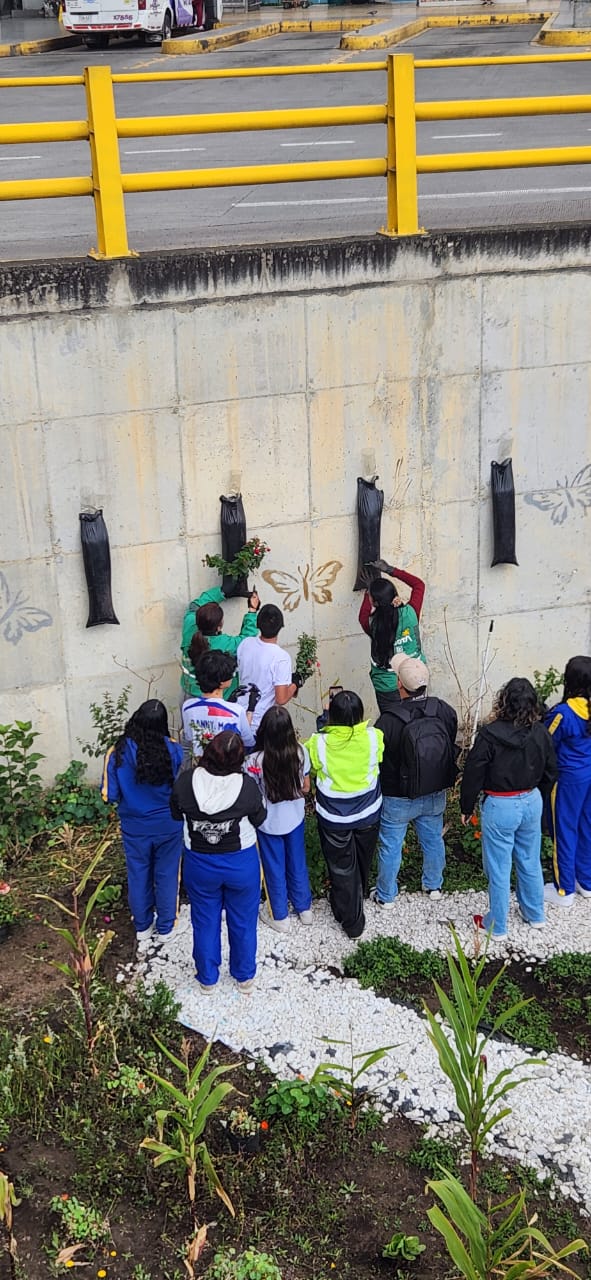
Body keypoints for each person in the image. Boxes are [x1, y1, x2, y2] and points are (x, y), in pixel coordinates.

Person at [460, 677, 557, 941]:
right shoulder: (540, 732)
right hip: (531, 800)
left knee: (499, 867)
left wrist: (466, 806)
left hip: (500, 803)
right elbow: (551, 770)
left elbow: (474, 772)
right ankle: (535, 914)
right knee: (529, 859)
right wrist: (539, 794)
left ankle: (497, 925)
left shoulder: (490, 734)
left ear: (503, 701)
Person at [171, 731, 266, 993]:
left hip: (199, 863)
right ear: (239, 759)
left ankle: (207, 979)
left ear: (209, 752)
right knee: (244, 921)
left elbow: (175, 813)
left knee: (204, 920)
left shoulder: (186, 781)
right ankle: (244, 976)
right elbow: (260, 819)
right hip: (240, 863)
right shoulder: (246, 786)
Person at [372, 657, 458, 907]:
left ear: (400, 684)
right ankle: (433, 885)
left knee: (391, 846)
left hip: (398, 796)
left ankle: (386, 895)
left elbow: (378, 756)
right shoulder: (442, 709)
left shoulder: (388, 720)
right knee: (433, 840)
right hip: (434, 790)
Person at [101, 700, 184, 946]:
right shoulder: (174, 750)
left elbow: (109, 795)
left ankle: (142, 927)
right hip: (169, 825)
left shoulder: (117, 752)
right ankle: (166, 927)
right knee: (168, 874)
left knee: (138, 874)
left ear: (136, 718)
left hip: (134, 827)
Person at [306, 691, 383, 939]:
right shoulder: (374, 737)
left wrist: (324, 725)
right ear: (360, 714)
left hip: (334, 817)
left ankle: (352, 922)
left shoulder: (317, 742)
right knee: (362, 858)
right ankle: (356, 896)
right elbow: (378, 758)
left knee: (341, 867)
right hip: (368, 813)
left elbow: (314, 766)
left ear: (332, 715)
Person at [245, 706, 313, 933]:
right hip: (294, 817)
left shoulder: (254, 761)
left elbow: (252, 793)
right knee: (297, 862)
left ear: (264, 731)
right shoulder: (301, 752)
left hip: (268, 822)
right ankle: (305, 909)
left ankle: (280, 916)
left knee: (273, 867)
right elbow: (305, 788)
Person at [544, 654, 591, 906]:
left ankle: (564, 889)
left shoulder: (563, 713)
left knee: (564, 829)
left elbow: (545, 743)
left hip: (568, 780)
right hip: (590, 774)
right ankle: (586, 882)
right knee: (587, 826)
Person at [358, 559, 426, 713]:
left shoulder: (372, 624)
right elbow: (418, 585)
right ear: (395, 595)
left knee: (392, 726)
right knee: (417, 722)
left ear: (374, 603)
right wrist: (390, 570)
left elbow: (363, 615)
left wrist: (369, 590)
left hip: (386, 685)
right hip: (414, 678)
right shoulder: (411, 612)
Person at [180, 585, 260, 700]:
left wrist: (221, 592)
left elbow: (195, 605)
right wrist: (252, 610)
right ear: (219, 627)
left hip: (188, 694)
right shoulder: (225, 644)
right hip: (215, 700)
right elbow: (247, 638)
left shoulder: (189, 624)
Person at [237, 604, 301, 733]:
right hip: (261, 724)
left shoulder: (245, 643)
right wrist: (296, 683)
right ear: (280, 627)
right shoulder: (281, 657)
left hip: (238, 717)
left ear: (258, 624)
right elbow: (281, 698)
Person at [181, 650, 255, 761]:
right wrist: (250, 710)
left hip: (200, 765)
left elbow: (189, 737)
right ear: (222, 682)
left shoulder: (187, 707)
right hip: (228, 767)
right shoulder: (236, 710)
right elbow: (248, 742)